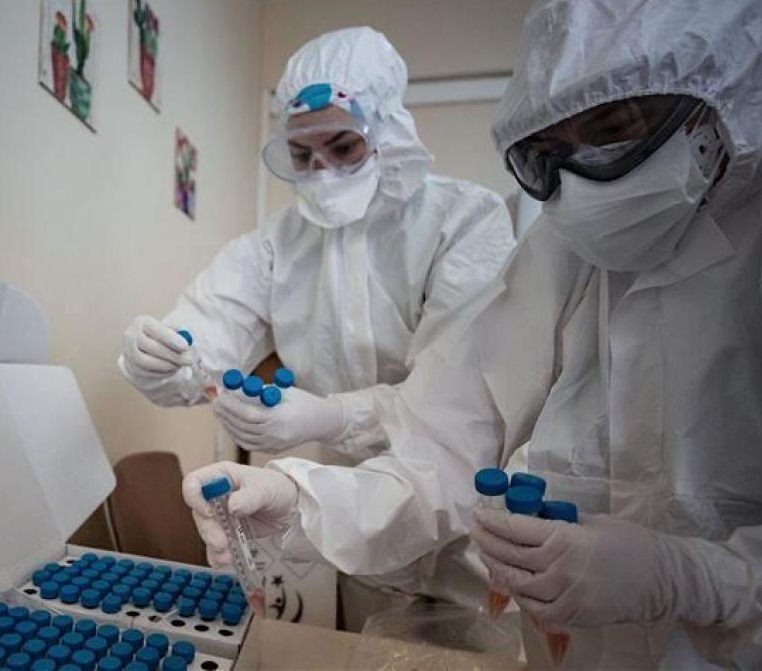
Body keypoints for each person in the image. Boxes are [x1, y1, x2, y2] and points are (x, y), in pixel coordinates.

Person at [182, 0, 762, 667]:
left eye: (614, 125)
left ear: (718, 94)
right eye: (547, 149)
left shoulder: (461, 219)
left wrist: (705, 581)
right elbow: (444, 443)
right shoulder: (564, 247)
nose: (579, 181)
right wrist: (298, 499)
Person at [119, 26, 515, 464]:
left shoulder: (463, 219)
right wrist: (162, 359)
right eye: (302, 155)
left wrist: (336, 417)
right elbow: (207, 331)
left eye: (343, 147)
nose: (322, 171)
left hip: (455, 472)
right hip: (338, 482)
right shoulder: (277, 243)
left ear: (386, 131)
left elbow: (456, 393)